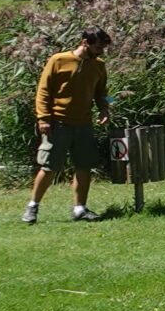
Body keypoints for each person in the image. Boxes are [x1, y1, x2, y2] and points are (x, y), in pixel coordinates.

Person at [25, 28, 112, 224]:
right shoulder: (58, 60)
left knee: (84, 166)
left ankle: (80, 209)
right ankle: (32, 207)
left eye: (103, 48)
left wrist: (104, 110)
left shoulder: (99, 65)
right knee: (49, 167)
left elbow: (102, 92)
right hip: (57, 123)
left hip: (84, 124)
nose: (101, 52)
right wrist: (43, 118)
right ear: (84, 42)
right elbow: (43, 91)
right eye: (98, 47)